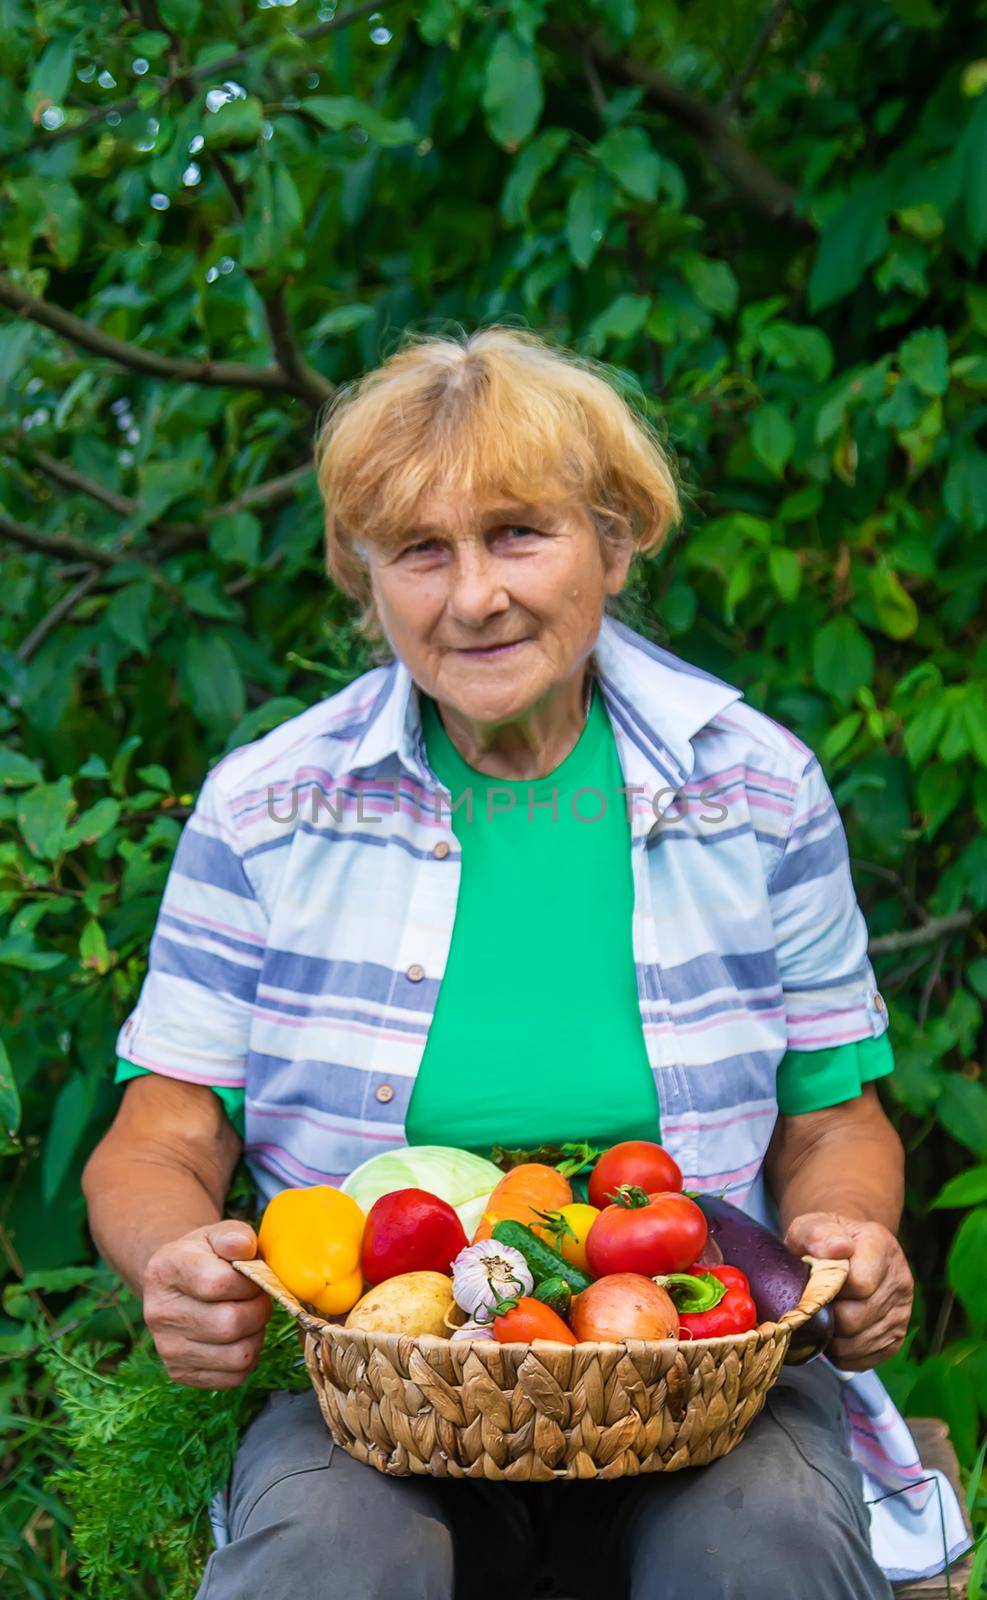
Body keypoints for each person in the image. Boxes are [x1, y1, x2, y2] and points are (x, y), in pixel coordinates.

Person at [82, 327, 962, 1599]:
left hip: (704, 1371)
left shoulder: (756, 790)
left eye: (519, 534)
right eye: (422, 551)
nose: (475, 593)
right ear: (364, 577)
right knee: (330, 1560)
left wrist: (848, 1233)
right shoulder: (269, 807)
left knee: (759, 1547)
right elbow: (157, 1140)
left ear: (614, 542)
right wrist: (179, 1262)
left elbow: (837, 1117)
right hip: (373, 1398)